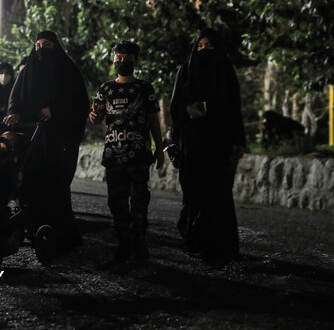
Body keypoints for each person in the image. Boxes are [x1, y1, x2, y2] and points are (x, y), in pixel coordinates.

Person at [4, 30, 88, 251]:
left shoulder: (67, 70)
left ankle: (61, 236)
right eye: (38, 45)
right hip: (35, 136)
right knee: (31, 182)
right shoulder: (29, 70)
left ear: (56, 47)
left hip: (61, 137)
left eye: (47, 45)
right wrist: (15, 113)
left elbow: (78, 102)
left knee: (56, 184)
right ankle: (35, 231)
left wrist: (55, 110)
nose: (41, 49)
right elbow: (17, 96)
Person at [170, 28, 245, 258]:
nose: (204, 51)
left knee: (219, 192)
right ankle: (195, 241)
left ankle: (219, 245)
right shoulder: (185, 71)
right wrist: (187, 109)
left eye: (209, 46)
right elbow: (176, 105)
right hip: (192, 143)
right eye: (199, 46)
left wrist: (238, 141)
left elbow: (234, 109)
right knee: (194, 191)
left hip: (220, 142)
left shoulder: (226, 72)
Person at [89, 40, 165, 268]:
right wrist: (93, 117)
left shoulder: (145, 88)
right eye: (118, 58)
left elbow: (154, 120)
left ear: (135, 61)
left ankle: (139, 243)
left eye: (126, 58)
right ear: (113, 60)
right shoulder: (106, 89)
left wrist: (159, 149)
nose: (122, 61)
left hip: (139, 154)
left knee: (140, 200)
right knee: (116, 202)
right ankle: (123, 245)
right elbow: (98, 116)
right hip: (113, 155)